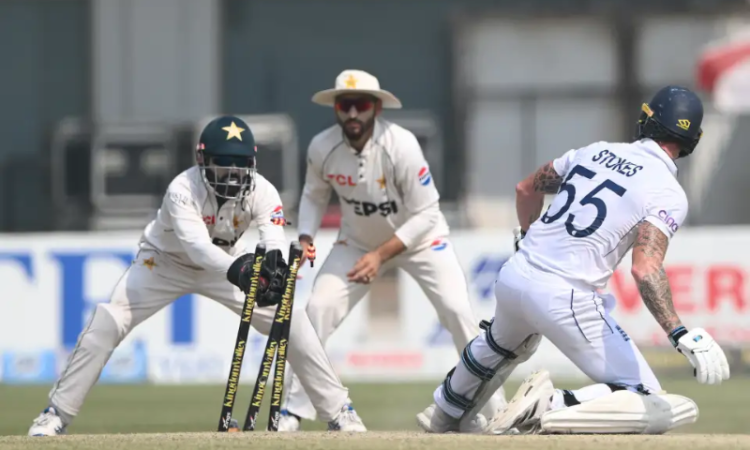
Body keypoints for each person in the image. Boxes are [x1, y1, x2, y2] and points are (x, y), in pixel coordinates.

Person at [416, 85, 730, 435]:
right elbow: (644, 268)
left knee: (498, 345)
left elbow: (525, 189)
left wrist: (526, 238)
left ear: (647, 119)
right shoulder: (668, 192)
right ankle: (548, 404)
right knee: (649, 398)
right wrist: (679, 332)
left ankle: (443, 411)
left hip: (516, 273)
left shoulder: (595, 151)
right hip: (566, 295)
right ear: (693, 140)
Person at [28, 115, 366, 436]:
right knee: (108, 320)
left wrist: (273, 268)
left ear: (253, 163)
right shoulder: (181, 190)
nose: (232, 173)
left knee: (290, 318)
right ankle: (55, 413)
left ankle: (339, 412)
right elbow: (197, 249)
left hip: (226, 263)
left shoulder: (264, 191)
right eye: (222, 162)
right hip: (163, 264)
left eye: (240, 163)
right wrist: (243, 270)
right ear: (202, 160)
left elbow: (273, 239)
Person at [276, 69, 507, 432]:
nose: (353, 114)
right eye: (345, 105)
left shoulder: (400, 145)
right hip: (357, 242)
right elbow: (313, 195)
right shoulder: (322, 147)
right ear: (336, 108)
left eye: (361, 105)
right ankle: (291, 411)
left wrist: (381, 255)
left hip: (422, 241)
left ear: (376, 109)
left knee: (457, 311)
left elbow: (427, 212)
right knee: (317, 310)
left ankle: (497, 411)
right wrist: (305, 235)